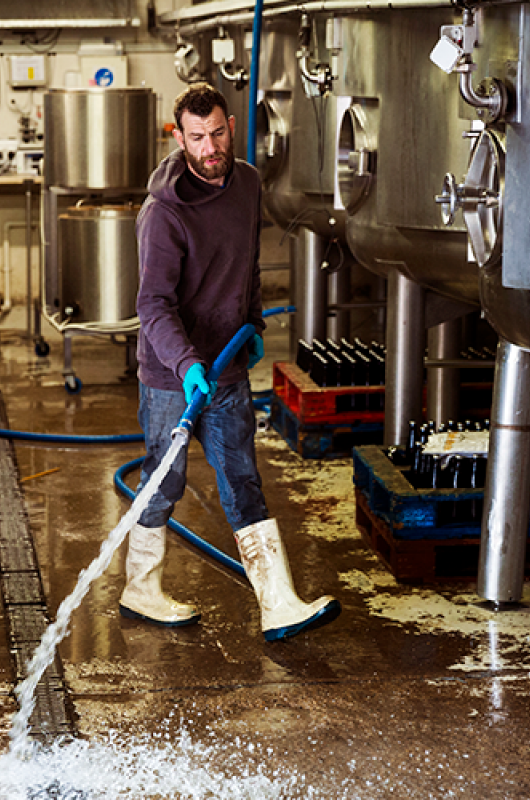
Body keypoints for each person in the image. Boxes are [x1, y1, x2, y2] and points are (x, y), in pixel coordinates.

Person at [119, 82, 341, 642]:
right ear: (179, 138)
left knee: (242, 477)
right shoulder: (163, 213)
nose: (210, 146)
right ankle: (140, 587)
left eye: (217, 132)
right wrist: (187, 363)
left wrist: (256, 322)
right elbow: (152, 304)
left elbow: (246, 267)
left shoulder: (247, 183)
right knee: (164, 482)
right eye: (197, 138)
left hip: (229, 364)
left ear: (231, 125)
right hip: (175, 375)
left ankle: (278, 602)